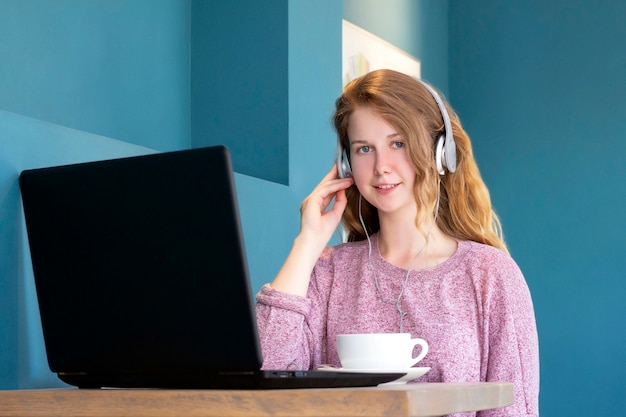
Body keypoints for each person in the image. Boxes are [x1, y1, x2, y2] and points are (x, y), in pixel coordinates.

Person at [255, 69, 539, 417]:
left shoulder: (490, 274)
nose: (380, 167)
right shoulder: (327, 271)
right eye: (363, 149)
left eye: (398, 143)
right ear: (347, 165)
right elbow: (264, 384)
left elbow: (515, 409)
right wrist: (308, 242)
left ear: (439, 153)